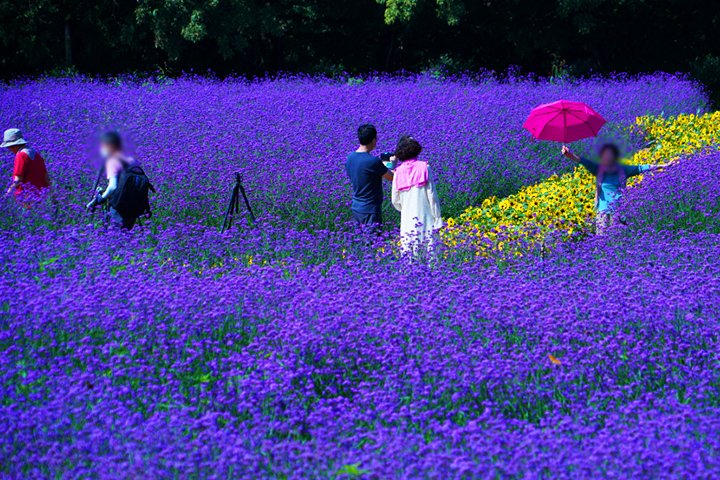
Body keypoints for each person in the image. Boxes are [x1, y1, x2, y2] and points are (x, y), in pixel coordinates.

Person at [562, 143, 671, 234]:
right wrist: (568, 154)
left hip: (618, 208)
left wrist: (665, 166)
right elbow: (581, 160)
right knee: (602, 239)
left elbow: (643, 168)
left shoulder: (624, 169)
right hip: (603, 209)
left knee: (616, 237)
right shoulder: (598, 168)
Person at [391, 136, 443, 257]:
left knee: (409, 251)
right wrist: (437, 218)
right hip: (426, 216)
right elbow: (432, 196)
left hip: (407, 219)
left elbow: (395, 200)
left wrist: (405, 209)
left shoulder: (398, 172)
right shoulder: (425, 168)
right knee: (429, 251)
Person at [86, 131, 140, 230]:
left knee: (117, 236)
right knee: (127, 237)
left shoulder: (112, 161)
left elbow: (113, 186)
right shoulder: (131, 160)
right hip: (133, 207)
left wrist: (101, 198)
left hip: (119, 207)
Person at [345, 124, 393, 227]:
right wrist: (392, 165)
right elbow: (392, 178)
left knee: (360, 239)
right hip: (370, 209)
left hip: (356, 206)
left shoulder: (350, 157)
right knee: (373, 240)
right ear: (374, 139)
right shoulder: (373, 161)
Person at [2, 128, 50, 197]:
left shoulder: (21, 156)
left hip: (25, 196)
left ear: (13, 145)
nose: (8, 149)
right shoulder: (36, 154)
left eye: (8, 147)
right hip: (40, 196)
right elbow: (46, 177)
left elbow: (18, 180)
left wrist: (7, 195)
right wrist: (52, 195)